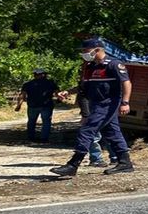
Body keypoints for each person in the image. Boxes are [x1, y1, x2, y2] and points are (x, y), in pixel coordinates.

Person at [50, 38, 134, 176]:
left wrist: (125, 102)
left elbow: (126, 83)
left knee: (87, 130)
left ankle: (73, 165)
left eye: (85, 50)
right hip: (96, 104)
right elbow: (84, 86)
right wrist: (68, 92)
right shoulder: (91, 67)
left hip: (108, 103)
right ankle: (125, 163)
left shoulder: (113, 64)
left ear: (97, 49)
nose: (84, 53)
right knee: (112, 133)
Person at [15, 69, 60, 142]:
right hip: (46, 105)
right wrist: (59, 99)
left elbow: (22, 95)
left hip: (32, 105)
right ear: (43, 74)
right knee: (46, 122)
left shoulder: (28, 84)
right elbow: (57, 93)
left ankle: (31, 137)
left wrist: (19, 105)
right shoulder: (50, 83)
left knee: (31, 121)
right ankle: (44, 138)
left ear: (35, 75)